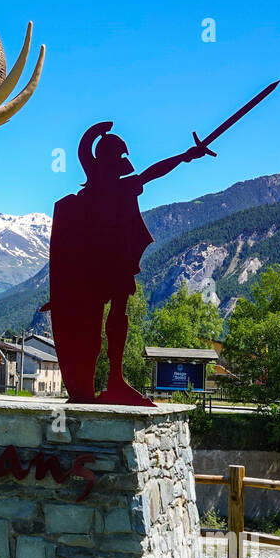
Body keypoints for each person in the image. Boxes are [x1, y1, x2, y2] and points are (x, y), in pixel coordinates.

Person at [44, 121, 213, 405]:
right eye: (121, 157)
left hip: (113, 263)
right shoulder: (93, 198)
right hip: (96, 268)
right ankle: (101, 383)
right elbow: (151, 173)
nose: (126, 162)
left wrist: (185, 156)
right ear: (109, 159)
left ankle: (115, 381)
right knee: (103, 320)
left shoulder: (116, 190)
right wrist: (185, 156)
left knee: (118, 314)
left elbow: (153, 172)